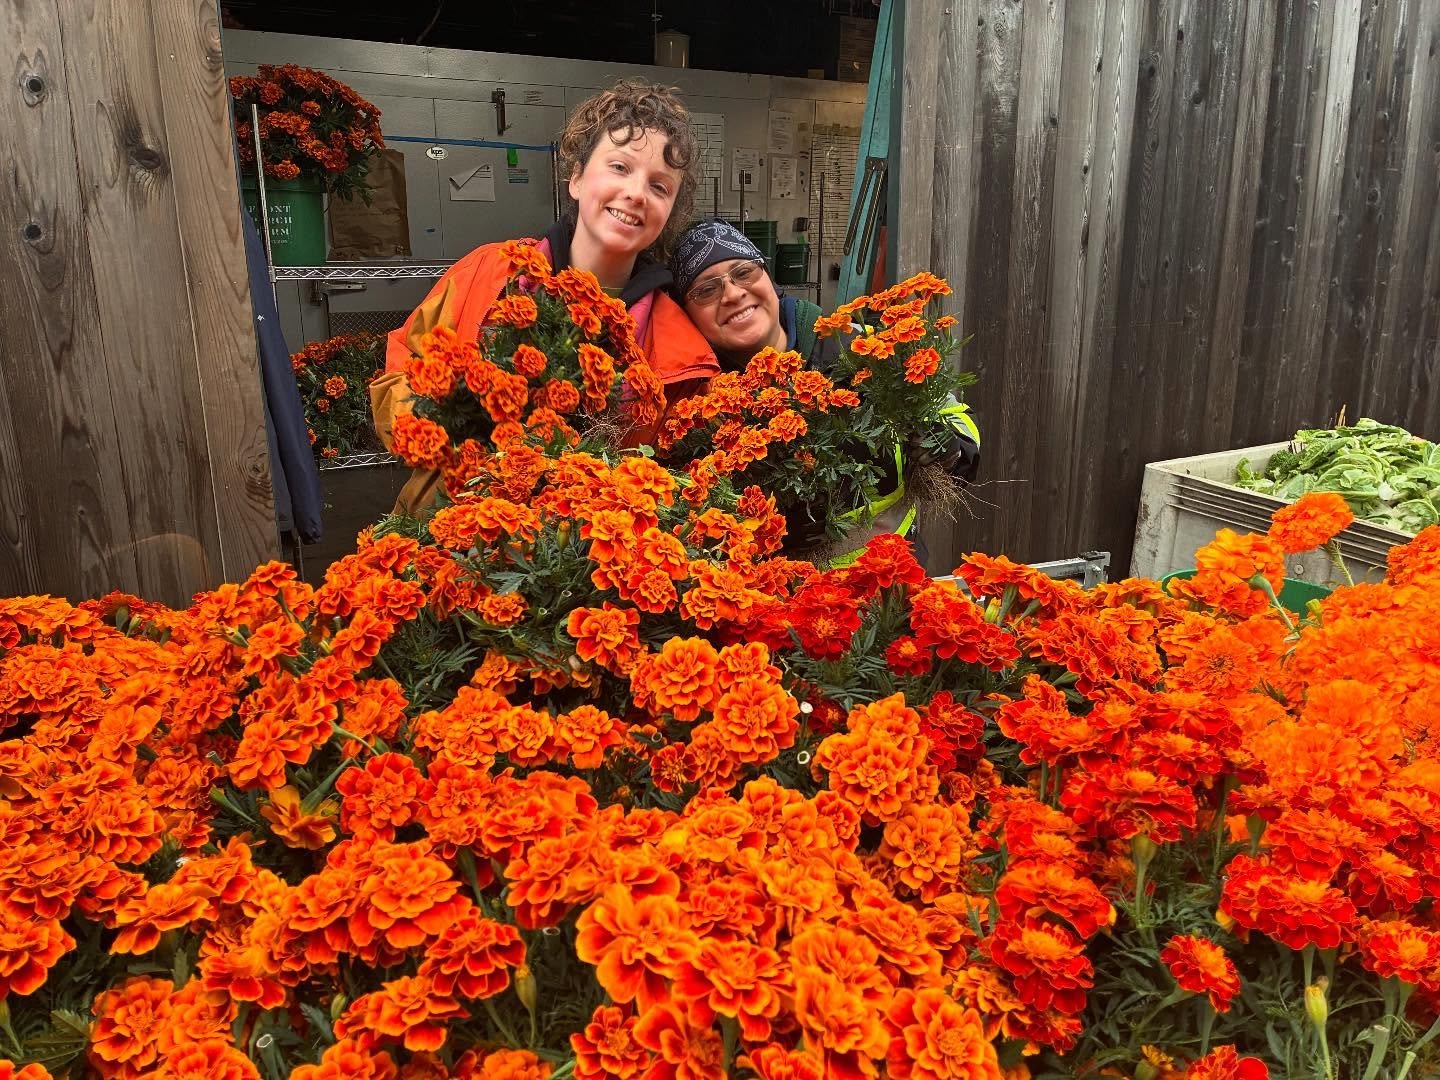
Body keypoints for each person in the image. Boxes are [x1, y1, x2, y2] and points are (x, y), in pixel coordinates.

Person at [371, 80, 719, 513]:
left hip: (583, 558)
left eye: (660, 186)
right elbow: (401, 366)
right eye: (619, 167)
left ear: (668, 213)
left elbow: (677, 481)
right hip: (452, 532)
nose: (636, 193)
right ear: (575, 177)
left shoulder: (677, 348)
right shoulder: (487, 271)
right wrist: (453, 432)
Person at [669, 218, 980, 558]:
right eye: (706, 289)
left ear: (768, 277)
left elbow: (956, 428)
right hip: (782, 601)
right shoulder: (699, 405)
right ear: (687, 313)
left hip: (893, 584)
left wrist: (947, 445)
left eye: (744, 272)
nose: (732, 293)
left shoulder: (864, 352)